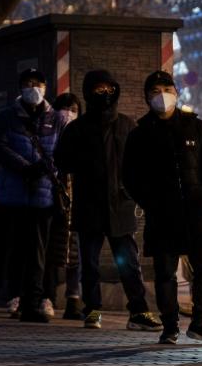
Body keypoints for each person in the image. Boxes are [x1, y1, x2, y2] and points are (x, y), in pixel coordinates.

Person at [123, 70, 202, 345]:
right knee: (165, 273)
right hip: (162, 214)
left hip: (198, 210)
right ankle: (169, 326)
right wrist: (149, 202)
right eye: (155, 91)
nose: (162, 96)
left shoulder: (194, 125)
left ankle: (201, 322)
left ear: (176, 92)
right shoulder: (141, 133)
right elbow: (130, 176)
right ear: (147, 97)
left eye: (166, 89)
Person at [55, 70, 161, 332]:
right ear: (89, 92)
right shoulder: (77, 128)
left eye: (108, 89)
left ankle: (138, 310)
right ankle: (92, 310)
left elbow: (141, 163)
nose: (104, 94)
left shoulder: (127, 125)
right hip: (89, 205)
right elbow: (62, 161)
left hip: (121, 206)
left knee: (129, 263)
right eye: (98, 90)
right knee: (89, 264)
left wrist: (135, 191)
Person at [0, 69, 61, 322]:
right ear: (20, 88)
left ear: (45, 87)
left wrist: (44, 169)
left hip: (41, 196)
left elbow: (61, 150)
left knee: (37, 253)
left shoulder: (55, 118)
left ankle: (32, 304)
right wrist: (25, 168)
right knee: (1, 249)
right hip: (12, 195)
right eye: (27, 84)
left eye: (37, 83)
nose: (32, 88)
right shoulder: (7, 116)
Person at [43, 92, 84, 320]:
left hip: (76, 202)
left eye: (74, 108)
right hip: (52, 200)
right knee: (51, 249)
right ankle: (47, 296)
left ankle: (73, 299)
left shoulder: (82, 135)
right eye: (65, 107)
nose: (69, 112)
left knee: (75, 251)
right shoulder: (51, 133)